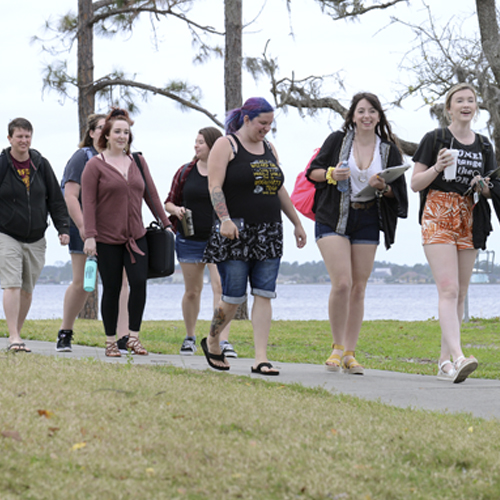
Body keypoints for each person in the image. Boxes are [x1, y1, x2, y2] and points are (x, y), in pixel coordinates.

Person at [202, 97, 307, 375]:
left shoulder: (270, 148)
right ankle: (213, 339)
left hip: (269, 232)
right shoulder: (226, 145)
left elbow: (279, 189)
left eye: (270, 124)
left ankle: (261, 358)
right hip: (234, 231)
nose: (266, 129)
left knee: (264, 294)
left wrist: (296, 222)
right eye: (262, 123)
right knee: (233, 297)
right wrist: (223, 219)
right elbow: (214, 186)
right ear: (246, 119)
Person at [307, 92, 408, 375]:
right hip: (334, 217)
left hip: (367, 218)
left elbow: (397, 193)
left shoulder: (388, 149)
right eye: (361, 111)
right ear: (352, 115)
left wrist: (382, 187)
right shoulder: (337, 141)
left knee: (359, 287)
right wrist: (330, 174)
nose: (367, 116)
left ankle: (351, 353)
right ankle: (336, 348)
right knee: (342, 283)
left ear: (379, 116)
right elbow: (311, 172)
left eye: (372, 111)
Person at [411, 83, 500, 383]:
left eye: (471, 101)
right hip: (438, 213)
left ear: (476, 107)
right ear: (449, 108)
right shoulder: (435, 138)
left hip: (470, 216)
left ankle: (444, 362)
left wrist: (484, 187)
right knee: (447, 289)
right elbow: (415, 183)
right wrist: (437, 166)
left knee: (460, 292)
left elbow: (491, 188)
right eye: (459, 100)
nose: (466, 105)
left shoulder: (485, 145)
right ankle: (460, 356)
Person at [81, 108, 171, 357]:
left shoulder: (138, 162)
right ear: (106, 136)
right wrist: (89, 235)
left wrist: (166, 224)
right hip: (107, 239)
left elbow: (151, 195)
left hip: (136, 236)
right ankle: (111, 341)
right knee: (111, 289)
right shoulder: (94, 166)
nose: (122, 136)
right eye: (117, 132)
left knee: (139, 285)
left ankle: (133, 337)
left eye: (126, 132)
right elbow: (87, 203)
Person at [57, 114, 130, 353]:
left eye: (107, 128)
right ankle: (65, 332)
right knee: (82, 283)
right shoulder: (82, 157)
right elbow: (70, 196)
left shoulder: (120, 158)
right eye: (100, 128)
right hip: (84, 229)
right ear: (92, 133)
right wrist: (83, 228)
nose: (104, 131)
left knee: (120, 283)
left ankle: (123, 337)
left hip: (114, 229)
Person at [165, 127, 237, 358]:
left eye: (201, 143)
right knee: (192, 292)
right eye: (195, 142)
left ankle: (221, 340)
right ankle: (190, 337)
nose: (196, 146)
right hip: (189, 239)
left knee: (221, 289)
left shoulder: (227, 171)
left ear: (214, 145)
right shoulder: (185, 171)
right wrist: (176, 210)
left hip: (219, 239)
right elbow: (168, 202)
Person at [0, 118, 70, 352]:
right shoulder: (2, 165)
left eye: (27, 136)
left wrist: (63, 228)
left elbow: (56, 200)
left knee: (27, 288)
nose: (24, 140)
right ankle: (13, 337)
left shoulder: (40, 164)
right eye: (19, 136)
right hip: (7, 234)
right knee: (11, 284)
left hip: (36, 237)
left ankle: (17, 334)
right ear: (9, 138)